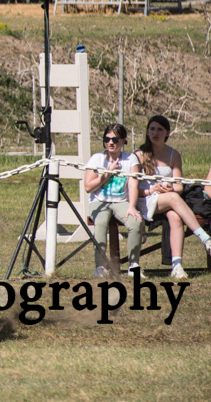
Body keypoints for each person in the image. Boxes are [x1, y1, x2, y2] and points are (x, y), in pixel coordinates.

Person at [128, 115, 211, 280]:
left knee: (175, 217)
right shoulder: (138, 155)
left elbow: (179, 187)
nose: (155, 133)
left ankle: (177, 266)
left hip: (166, 200)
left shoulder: (174, 154)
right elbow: (132, 188)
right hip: (144, 200)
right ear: (147, 132)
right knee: (173, 198)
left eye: (160, 129)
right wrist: (152, 190)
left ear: (167, 133)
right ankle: (205, 238)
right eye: (152, 129)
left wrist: (170, 188)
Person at [84, 123, 142, 277]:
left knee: (135, 223)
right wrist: (107, 173)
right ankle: (100, 267)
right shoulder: (96, 159)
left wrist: (132, 206)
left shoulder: (131, 159)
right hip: (99, 201)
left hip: (121, 201)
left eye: (115, 139)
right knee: (101, 224)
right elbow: (88, 187)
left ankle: (134, 265)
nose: (110, 142)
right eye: (107, 139)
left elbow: (133, 184)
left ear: (123, 141)